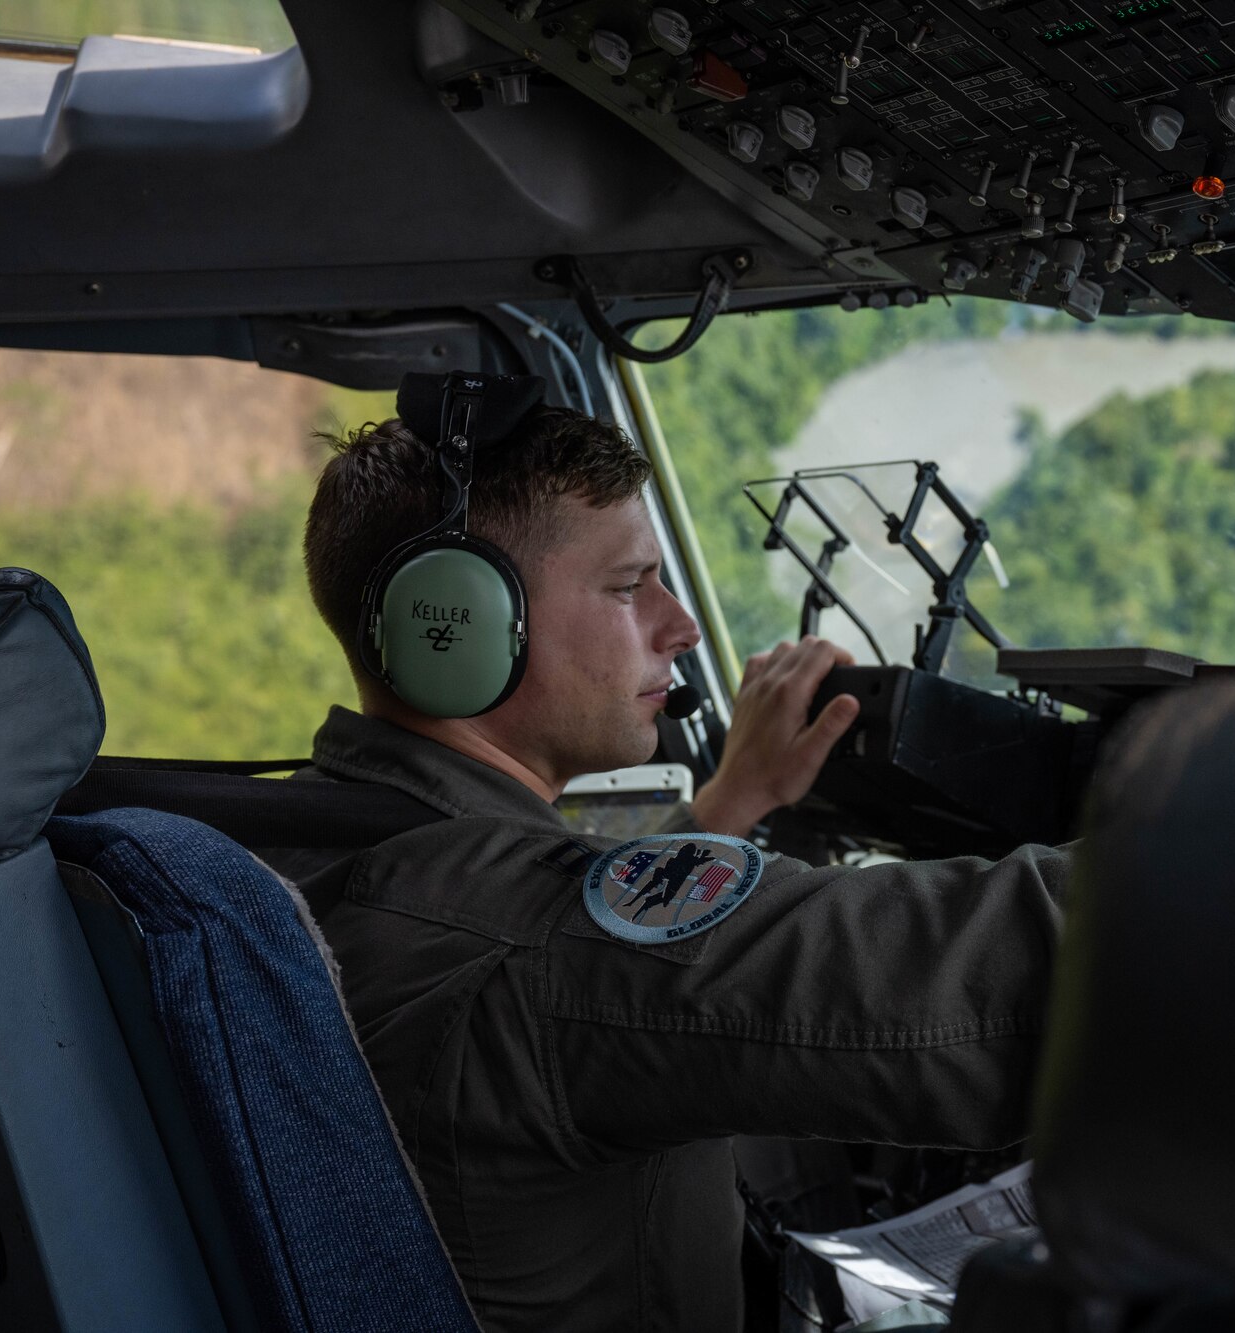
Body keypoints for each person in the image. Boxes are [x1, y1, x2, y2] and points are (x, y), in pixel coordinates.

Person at [296, 405, 1069, 1332]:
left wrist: (729, 808)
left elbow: (567, 925)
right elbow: (984, 975)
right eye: (631, 586)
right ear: (455, 627)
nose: (684, 626)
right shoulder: (536, 951)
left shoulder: (307, 839)